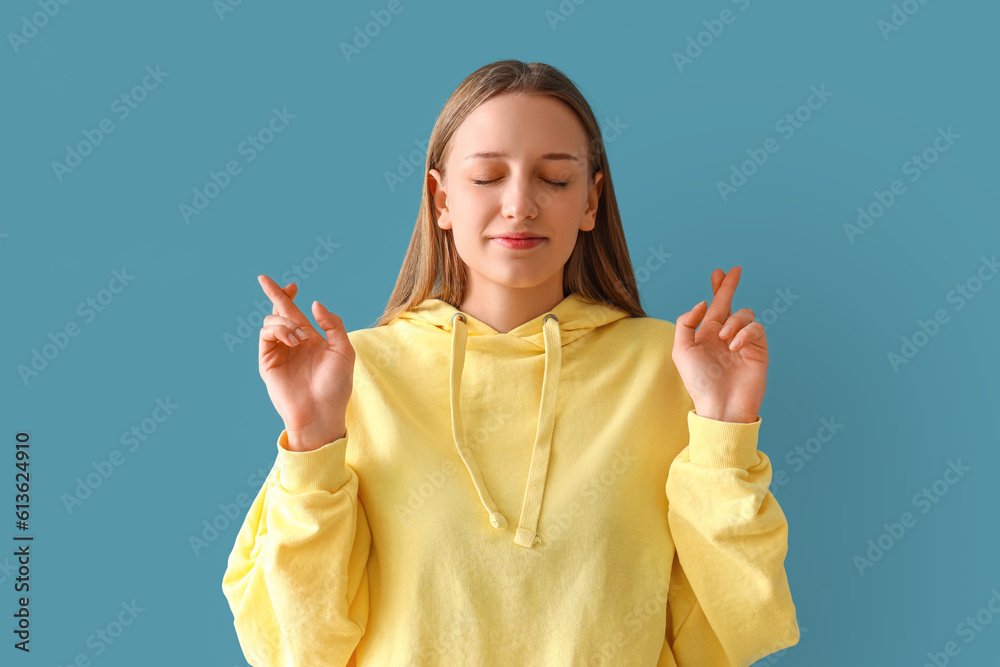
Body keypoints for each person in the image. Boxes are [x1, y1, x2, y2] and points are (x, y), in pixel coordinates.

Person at [222, 59, 799, 666]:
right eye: (487, 177)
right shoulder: (350, 373)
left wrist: (725, 430)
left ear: (591, 201)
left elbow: (734, 627)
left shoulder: (672, 369)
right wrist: (312, 438)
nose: (520, 204)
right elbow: (294, 646)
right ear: (440, 199)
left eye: (553, 179)